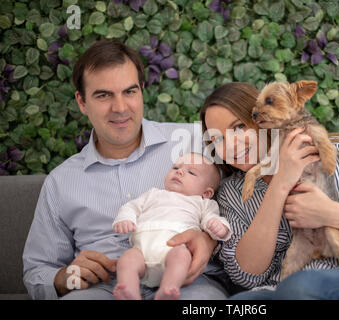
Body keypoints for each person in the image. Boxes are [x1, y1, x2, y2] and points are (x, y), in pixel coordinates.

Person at [22, 40, 229, 300]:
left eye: (129, 92)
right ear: (82, 102)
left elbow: (254, 193)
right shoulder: (61, 182)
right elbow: (37, 271)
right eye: (103, 95)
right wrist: (67, 277)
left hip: (190, 282)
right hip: (103, 289)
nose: (120, 108)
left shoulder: (194, 141)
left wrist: (211, 240)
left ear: (142, 90)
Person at [200, 82, 339, 299]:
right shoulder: (232, 191)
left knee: (301, 287)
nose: (230, 145)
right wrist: (280, 183)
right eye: (217, 139)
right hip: (279, 290)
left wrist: (329, 213)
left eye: (239, 127)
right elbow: (246, 276)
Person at [112, 152, 231, 300]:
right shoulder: (152, 194)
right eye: (176, 167)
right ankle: (129, 290)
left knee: (181, 256)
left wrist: (218, 227)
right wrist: (125, 218)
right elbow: (131, 207)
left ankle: (168, 288)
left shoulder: (202, 203)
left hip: (176, 249)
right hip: (142, 251)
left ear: (206, 192)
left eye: (191, 172)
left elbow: (212, 219)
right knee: (128, 258)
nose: (179, 171)